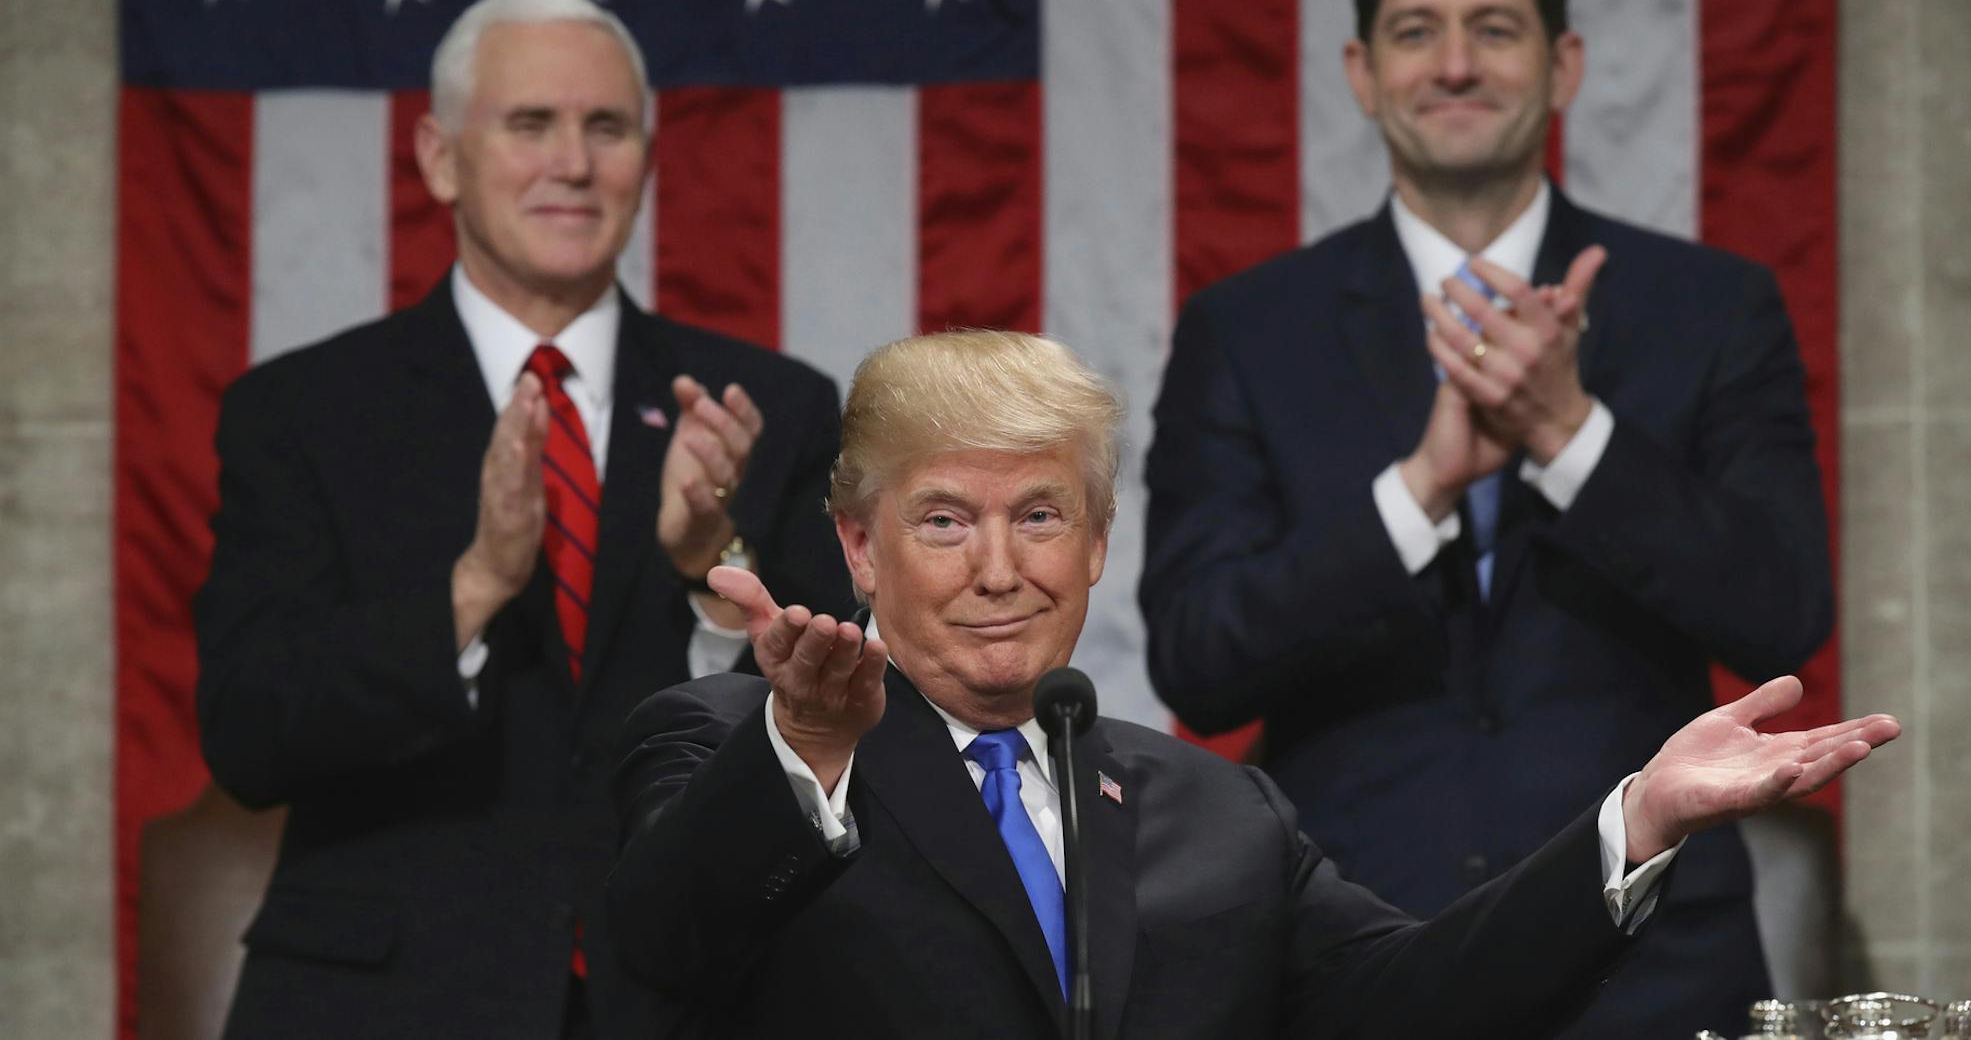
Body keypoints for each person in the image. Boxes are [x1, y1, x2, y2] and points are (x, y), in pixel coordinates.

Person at [608, 331, 1893, 1038]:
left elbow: (1422, 1005)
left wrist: (1642, 818)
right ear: (856, 545)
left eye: (1042, 515)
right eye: (945, 520)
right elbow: (659, 954)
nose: (1000, 569)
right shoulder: (736, 744)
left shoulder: (1217, 814)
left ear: (1100, 544)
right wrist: (807, 749)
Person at [1139, 0, 1833, 1034]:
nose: (1455, 64)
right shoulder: (1249, 329)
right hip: (1357, 956)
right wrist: (1420, 490)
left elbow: (1782, 615)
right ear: (1363, 72)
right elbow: (1200, 659)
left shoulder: (1710, 307)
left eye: (1495, 30)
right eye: (1417, 32)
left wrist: (1569, 431)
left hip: (1650, 965)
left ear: (1563, 65)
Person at [193, 0, 853, 1039]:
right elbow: (249, 732)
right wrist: (473, 589)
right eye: (530, 124)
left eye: (607, 128)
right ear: (441, 155)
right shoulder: (303, 413)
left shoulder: (767, 409)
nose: (574, 164)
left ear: (646, 155)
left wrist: (710, 573)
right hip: (385, 1000)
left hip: (690, 1001)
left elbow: (850, 736)